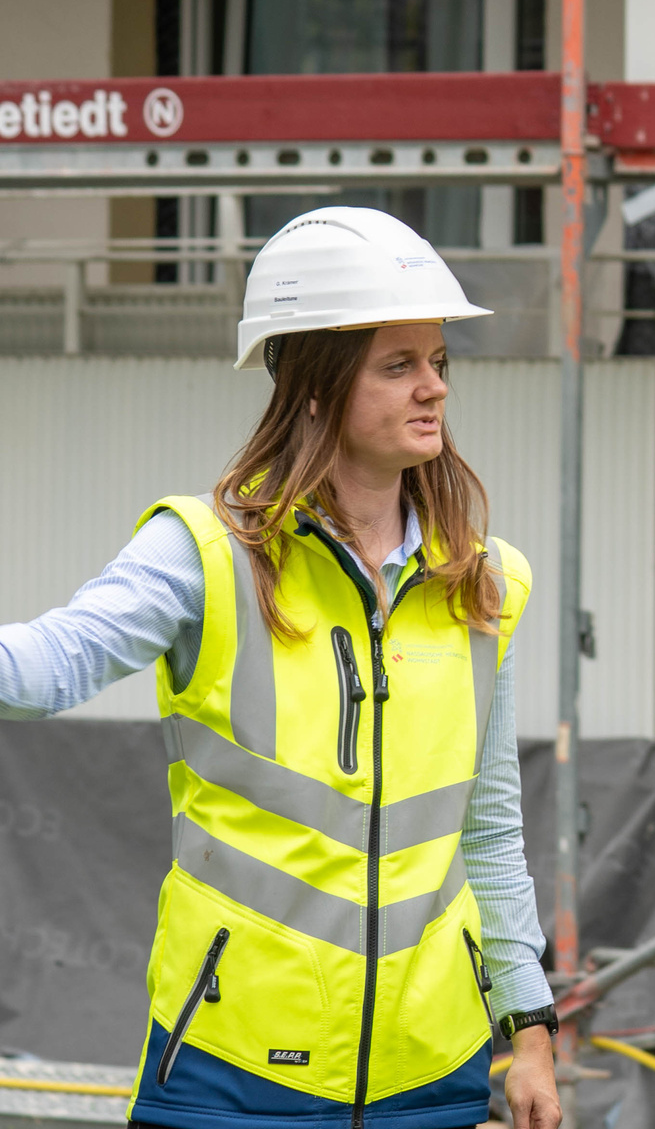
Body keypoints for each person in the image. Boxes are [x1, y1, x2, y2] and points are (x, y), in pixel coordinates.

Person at [0, 207, 561, 1129]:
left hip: (431, 1076)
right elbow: (49, 666)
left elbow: (488, 828)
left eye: (437, 360)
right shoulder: (205, 554)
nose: (435, 387)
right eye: (398, 365)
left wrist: (529, 1026)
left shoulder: (483, 582)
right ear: (314, 385)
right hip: (231, 1072)